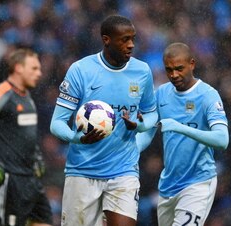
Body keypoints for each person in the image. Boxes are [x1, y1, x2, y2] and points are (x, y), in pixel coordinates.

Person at [50, 15, 158, 226]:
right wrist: (77, 138)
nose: (131, 45)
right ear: (106, 40)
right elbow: (56, 123)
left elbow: (152, 114)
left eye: (133, 39)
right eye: (124, 40)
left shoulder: (142, 71)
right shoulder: (81, 70)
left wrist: (140, 131)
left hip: (124, 171)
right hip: (83, 171)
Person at [136, 42, 229, 226]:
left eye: (179, 68)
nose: (174, 75)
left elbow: (222, 139)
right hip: (168, 185)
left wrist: (180, 127)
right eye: (169, 70)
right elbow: (147, 133)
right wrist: (129, 150)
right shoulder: (161, 93)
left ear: (192, 64)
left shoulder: (208, 95)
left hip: (198, 182)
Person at [0, 48, 53, 226]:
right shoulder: (1, 93)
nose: (39, 73)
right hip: (9, 179)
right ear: (18, 68)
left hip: (30, 178)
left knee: (44, 221)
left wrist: (37, 156)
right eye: (34, 68)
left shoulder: (27, 97)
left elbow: (26, 135)